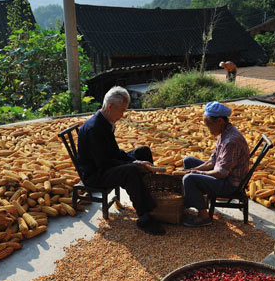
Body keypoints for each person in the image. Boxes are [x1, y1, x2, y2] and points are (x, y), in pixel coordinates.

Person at [77, 86, 165, 235]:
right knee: (130, 171)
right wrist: (132, 163)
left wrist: (134, 159)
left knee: (143, 151)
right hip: (96, 174)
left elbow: (114, 152)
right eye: (122, 110)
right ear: (110, 107)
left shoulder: (106, 121)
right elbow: (103, 162)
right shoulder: (94, 129)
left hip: (106, 164)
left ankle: (151, 195)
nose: (123, 115)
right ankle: (144, 215)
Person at [182, 101, 250, 227]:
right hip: (223, 173)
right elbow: (212, 161)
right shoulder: (225, 133)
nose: (208, 130)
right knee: (188, 161)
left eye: (209, 125)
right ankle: (196, 200)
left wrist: (198, 173)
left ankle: (204, 216)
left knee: (189, 179)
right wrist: (193, 169)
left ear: (220, 121)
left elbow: (222, 173)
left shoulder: (231, 141)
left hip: (229, 183)